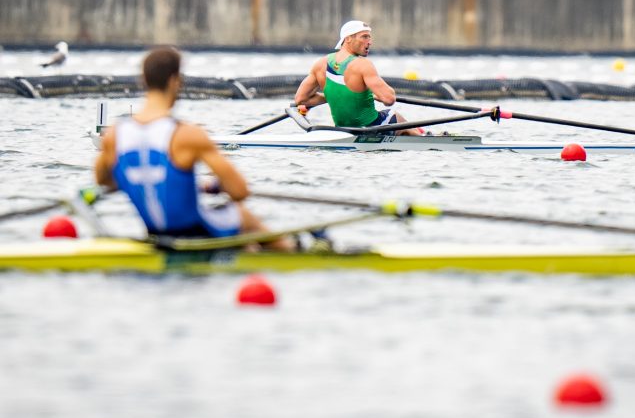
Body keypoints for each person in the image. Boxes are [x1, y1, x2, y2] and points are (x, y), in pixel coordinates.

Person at [94, 46, 292, 250]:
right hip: (193, 233)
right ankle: (292, 253)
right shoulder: (188, 134)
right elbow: (240, 191)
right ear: (175, 81)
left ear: (143, 81)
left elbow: (103, 181)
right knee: (242, 215)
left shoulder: (115, 135)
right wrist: (213, 187)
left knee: (244, 242)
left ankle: (249, 250)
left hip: (154, 233)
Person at [293, 20, 423, 135]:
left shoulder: (320, 64)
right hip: (371, 127)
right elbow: (389, 99)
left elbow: (301, 99)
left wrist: (335, 97)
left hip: (342, 130)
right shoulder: (363, 65)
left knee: (398, 124)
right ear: (348, 38)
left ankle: (419, 134)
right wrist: (381, 95)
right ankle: (425, 137)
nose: (370, 42)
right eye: (364, 37)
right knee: (393, 115)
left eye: (369, 38)